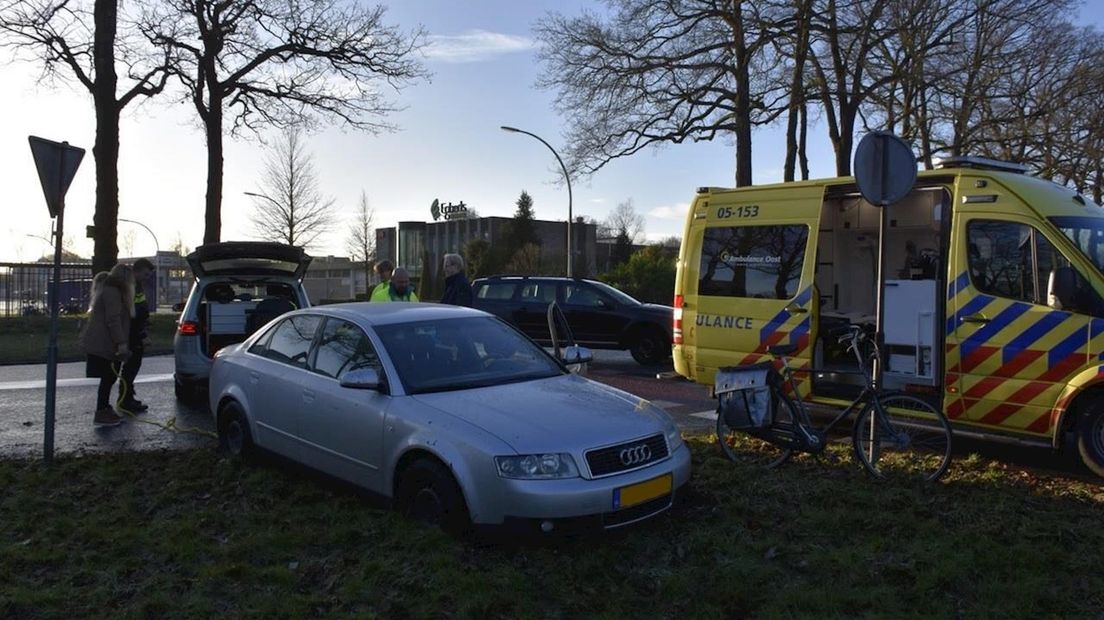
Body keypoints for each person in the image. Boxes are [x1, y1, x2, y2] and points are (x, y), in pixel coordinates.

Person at [80, 264, 136, 426]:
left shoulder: (109, 290)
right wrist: (121, 343)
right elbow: (113, 320)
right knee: (108, 377)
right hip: (106, 342)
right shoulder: (113, 292)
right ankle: (102, 411)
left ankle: (104, 409)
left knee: (109, 377)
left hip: (105, 341)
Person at [118, 258, 154, 413]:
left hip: (135, 330)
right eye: (145, 274)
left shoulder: (136, 285)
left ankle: (128, 397)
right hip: (132, 332)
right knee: (131, 367)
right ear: (137, 271)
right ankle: (125, 400)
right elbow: (133, 313)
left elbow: (140, 310)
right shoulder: (130, 286)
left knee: (133, 366)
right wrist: (142, 333)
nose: (147, 278)